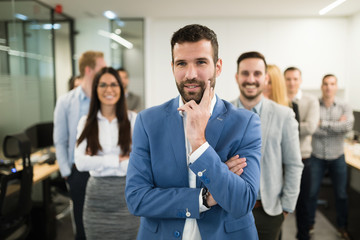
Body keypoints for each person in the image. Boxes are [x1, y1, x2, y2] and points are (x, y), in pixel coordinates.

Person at [125, 24, 262, 240]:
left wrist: (199, 143)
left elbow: (241, 201)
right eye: (181, 63)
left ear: (218, 67)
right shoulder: (147, 122)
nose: (190, 74)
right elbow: (137, 199)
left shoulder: (245, 123)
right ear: (172, 68)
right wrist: (205, 198)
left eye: (201, 62)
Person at [231, 52, 303, 240]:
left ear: (266, 78)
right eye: (245, 73)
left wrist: (286, 207)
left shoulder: (284, 115)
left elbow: (294, 164)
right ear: (237, 77)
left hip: (268, 212)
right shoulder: (221, 113)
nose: (251, 79)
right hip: (229, 210)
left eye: (257, 73)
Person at [74, 67, 139, 239]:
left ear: (121, 88)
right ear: (95, 89)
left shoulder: (133, 120)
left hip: (127, 196)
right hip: (96, 200)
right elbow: (80, 162)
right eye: (102, 85)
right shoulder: (86, 122)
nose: (108, 90)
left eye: (113, 84)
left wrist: (97, 160)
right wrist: (118, 160)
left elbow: (139, 162)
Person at [53, 51, 106, 240]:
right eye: (102, 67)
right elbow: (59, 139)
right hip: (78, 172)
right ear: (89, 70)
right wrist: (67, 172)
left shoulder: (107, 99)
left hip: (104, 169)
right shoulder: (66, 102)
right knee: (82, 224)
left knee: (104, 221)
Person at [308, 74, 354, 240]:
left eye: (332, 84)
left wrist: (323, 124)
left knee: (341, 194)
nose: (329, 87)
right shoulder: (314, 105)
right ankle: (309, 225)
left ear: (336, 86)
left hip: (337, 156)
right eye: (326, 84)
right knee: (312, 193)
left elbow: (348, 126)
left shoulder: (344, 105)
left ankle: (342, 227)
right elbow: (313, 128)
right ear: (322, 86)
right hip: (317, 156)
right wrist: (337, 125)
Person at [284, 67, 320, 240]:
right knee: (277, 204)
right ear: (284, 81)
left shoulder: (311, 101)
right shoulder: (278, 99)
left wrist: (285, 128)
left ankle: (303, 236)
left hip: (303, 158)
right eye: (288, 79)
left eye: (295, 79)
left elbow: (311, 127)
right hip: (281, 161)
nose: (292, 83)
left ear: (300, 80)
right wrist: (299, 126)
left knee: (304, 203)